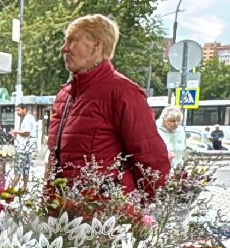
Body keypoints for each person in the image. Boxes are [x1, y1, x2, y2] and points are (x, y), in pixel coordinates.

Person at [45, 14, 170, 194]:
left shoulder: (122, 92)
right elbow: (54, 160)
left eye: (72, 41)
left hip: (105, 215)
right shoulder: (65, 95)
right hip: (63, 212)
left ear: (98, 44)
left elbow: (151, 159)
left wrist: (138, 211)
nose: (64, 48)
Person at [12, 104, 41, 181]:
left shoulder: (28, 118)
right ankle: (24, 187)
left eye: (18, 110)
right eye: (16, 110)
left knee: (20, 169)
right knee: (25, 169)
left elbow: (27, 133)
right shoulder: (21, 119)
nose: (17, 112)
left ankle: (14, 186)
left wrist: (17, 132)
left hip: (26, 148)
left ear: (24, 109)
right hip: (22, 147)